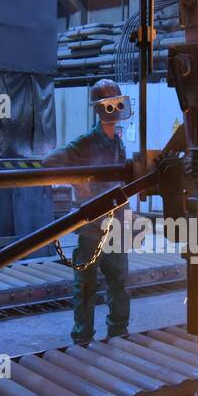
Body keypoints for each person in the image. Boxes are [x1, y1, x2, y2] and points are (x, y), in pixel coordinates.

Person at [43, 79, 131, 344]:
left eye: (118, 103)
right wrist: (80, 185)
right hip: (93, 226)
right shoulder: (86, 142)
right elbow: (50, 161)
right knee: (86, 285)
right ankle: (83, 337)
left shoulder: (117, 141)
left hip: (115, 224)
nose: (115, 109)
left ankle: (118, 331)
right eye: (110, 104)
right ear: (99, 109)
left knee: (119, 282)